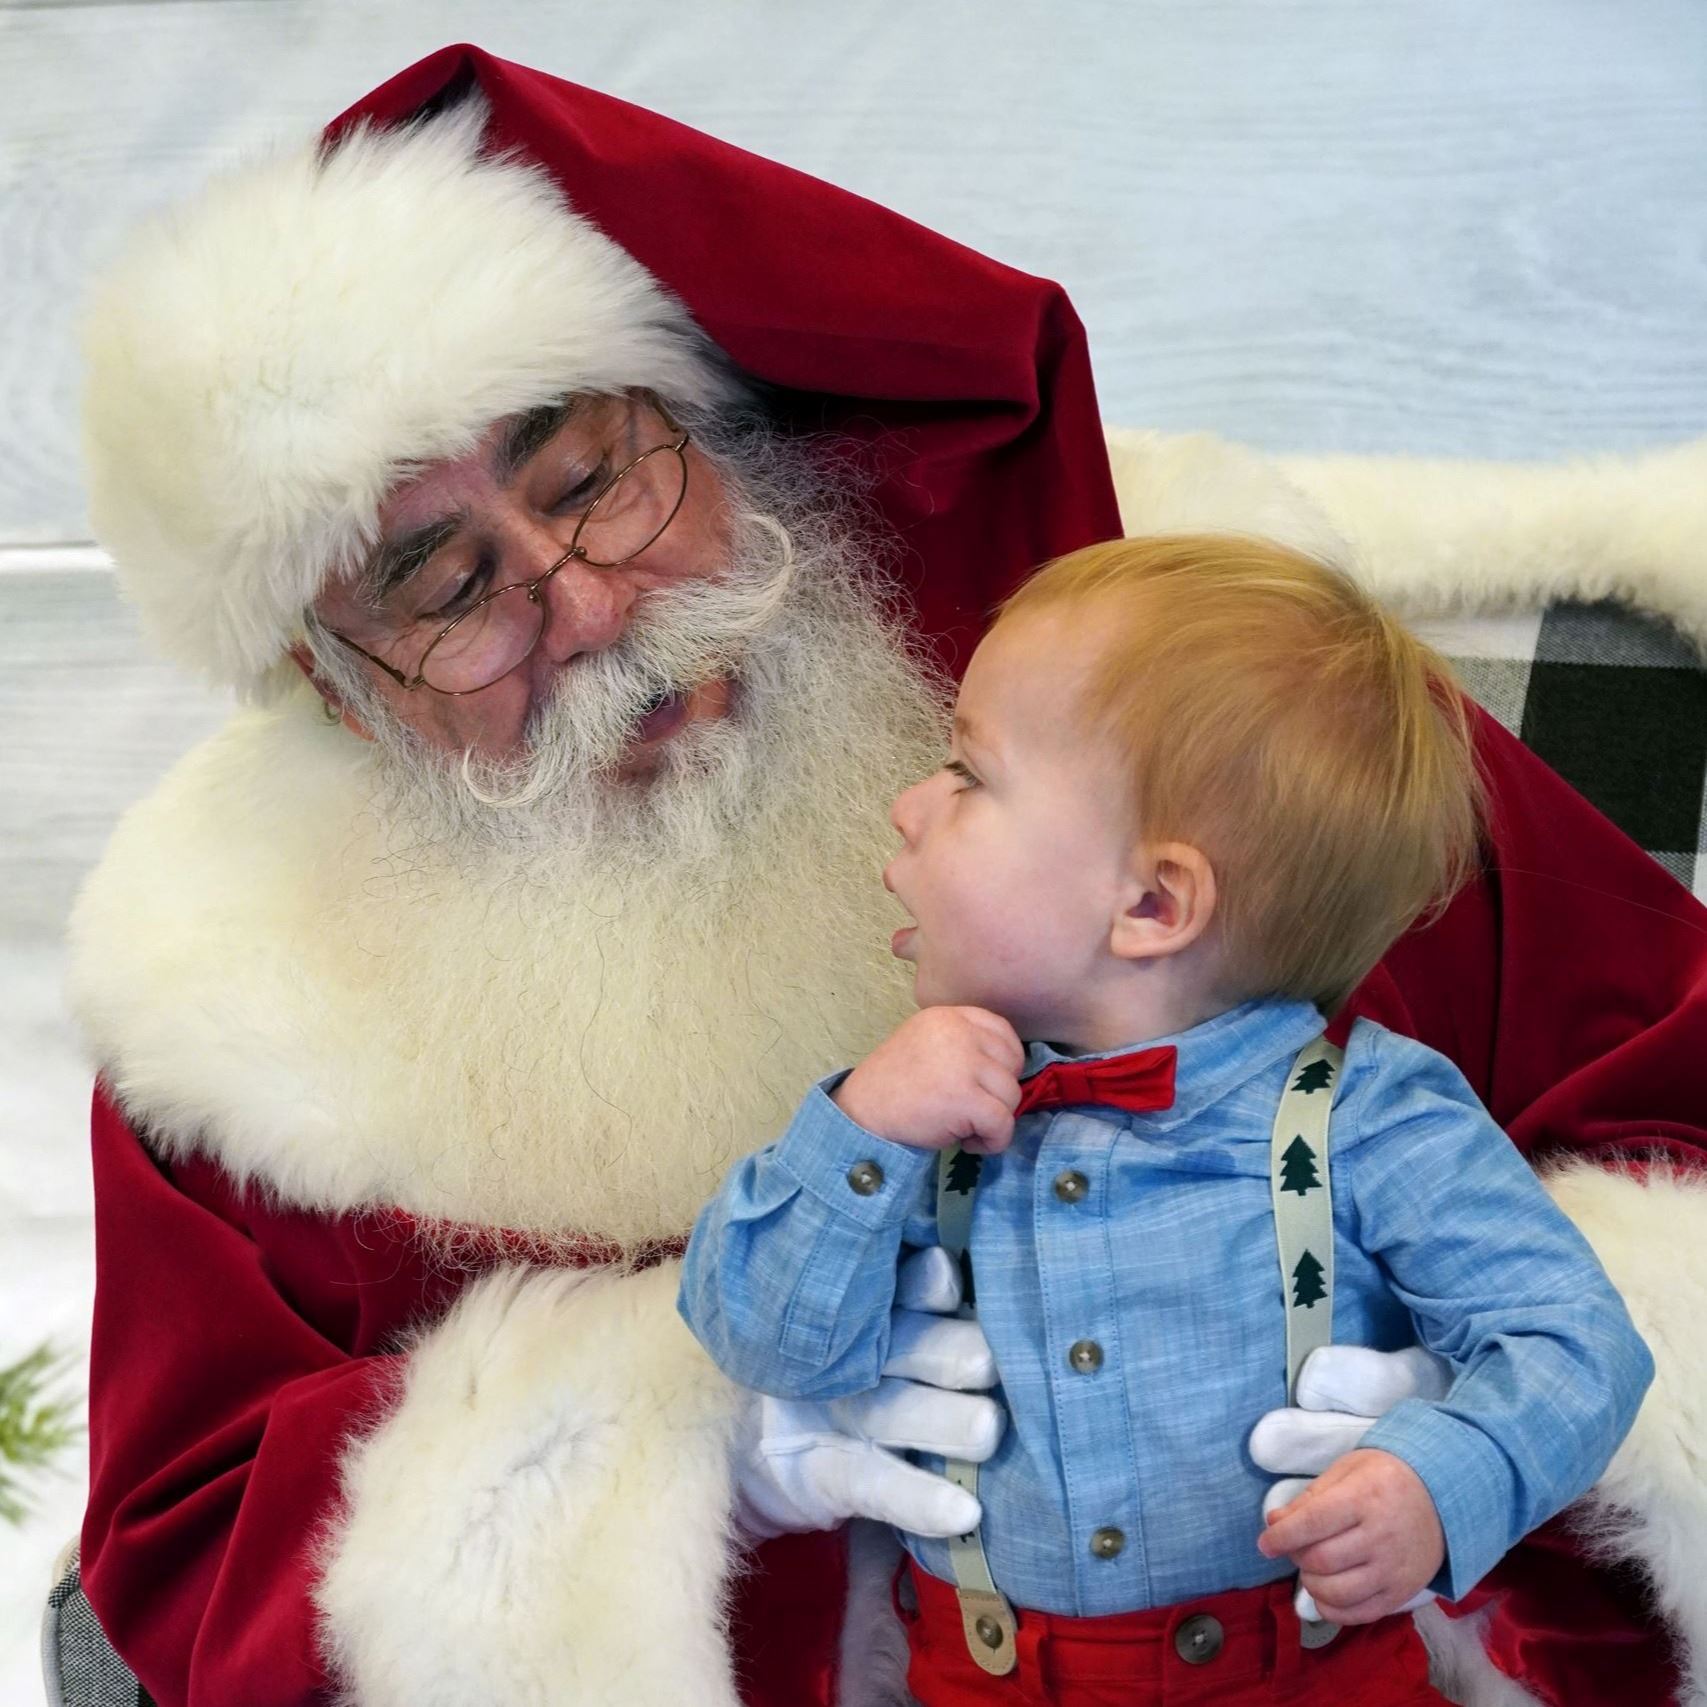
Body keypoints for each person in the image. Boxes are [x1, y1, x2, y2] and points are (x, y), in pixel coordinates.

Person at [59, 42, 1707, 1707]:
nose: (588, 606)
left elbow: (1669, 1105)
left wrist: (1500, 1419)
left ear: (707, 418)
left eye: (595, 478)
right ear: (335, 688)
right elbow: (193, 1550)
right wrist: (678, 1447)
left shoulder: (1179, 675)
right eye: (444, 583)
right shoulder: (235, 991)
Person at [679, 533, 1655, 1705]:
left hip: (1309, 1676)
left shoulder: (1370, 1115)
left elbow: (1575, 1341)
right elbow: (767, 1344)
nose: (906, 807)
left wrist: (1443, 1477)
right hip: (983, 1679)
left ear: (1150, 903)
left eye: (967, 775)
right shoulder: (903, 1113)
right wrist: (860, 1134)